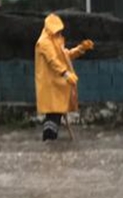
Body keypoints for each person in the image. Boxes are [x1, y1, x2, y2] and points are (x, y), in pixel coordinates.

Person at [34, 13, 93, 141]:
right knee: (53, 115)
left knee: (56, 114)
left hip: (58, 84)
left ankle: (51, 142)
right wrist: (66, 73)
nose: (59, 32)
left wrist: (80, 49)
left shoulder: (56, 40)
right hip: (50, 85)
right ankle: (49, 141)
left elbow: (64, 56)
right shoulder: (43, 43)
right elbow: (53, 61)